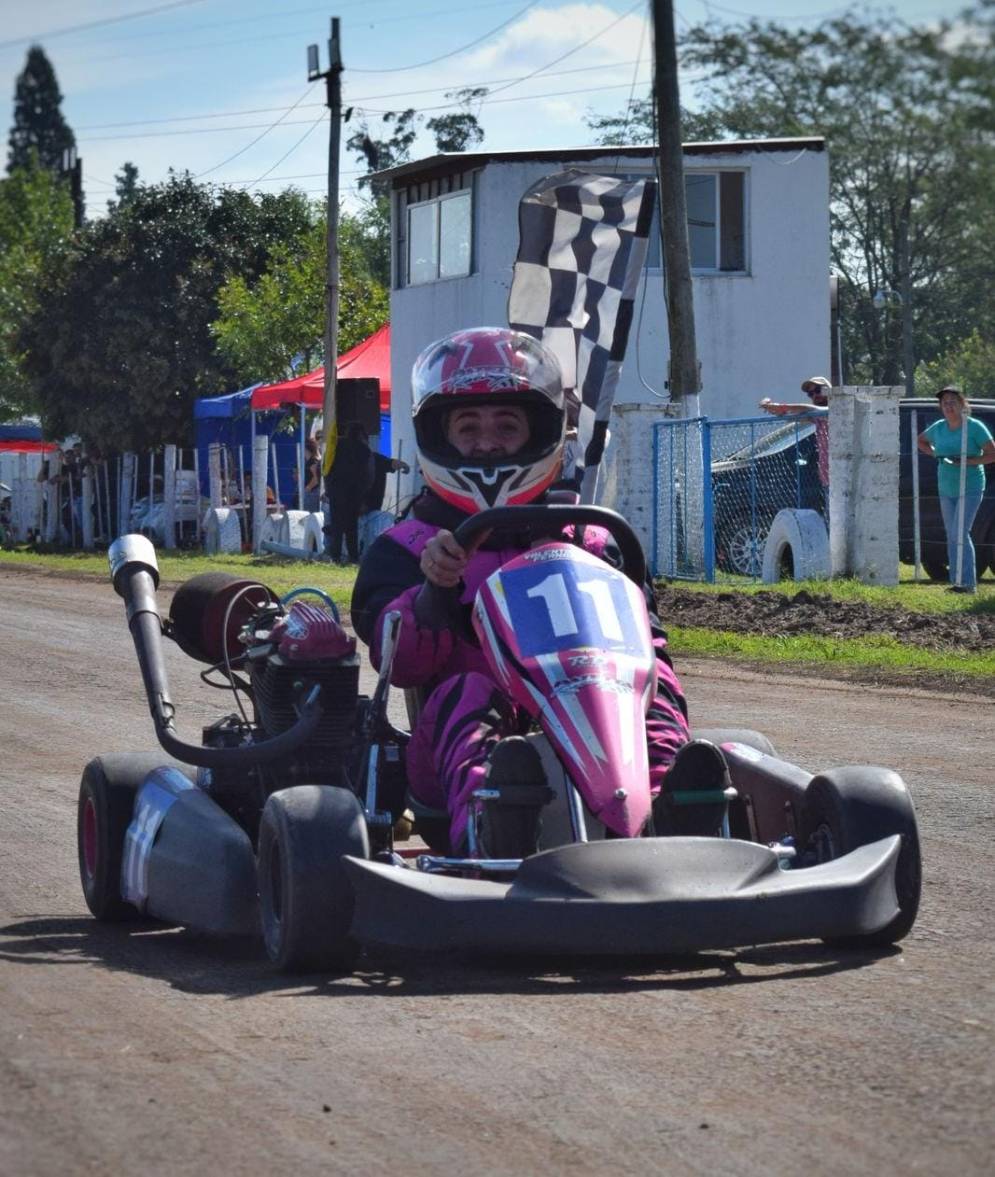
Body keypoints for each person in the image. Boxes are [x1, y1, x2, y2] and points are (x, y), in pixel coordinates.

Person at [351, 326, 728, 855]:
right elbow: (403, 666)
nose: (487, 442)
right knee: (468, 690)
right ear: (441, 436)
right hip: (455, 751)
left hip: (596, 728)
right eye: (469, 426)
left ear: (541, 432)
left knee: (653, 686)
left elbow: (651, 647)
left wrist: (641, 686)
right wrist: (434, 591)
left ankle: (670, 810)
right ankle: (493, 820)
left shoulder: (595, 540)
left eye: (507, 425)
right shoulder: (408, 549)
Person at [917, 384, 995, 593]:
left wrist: (968, 461)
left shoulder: (975, 427)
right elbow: (921, 441)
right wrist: (935, 454)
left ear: (962, 404)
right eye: (945, 403)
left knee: (960, 532)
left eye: (953, 402)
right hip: (946, 486)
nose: (948, 406)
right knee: (952, 534)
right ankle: (957, 581)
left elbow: (992, 453)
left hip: (970, 486)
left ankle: (968, 584)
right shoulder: (939, 427)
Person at [759, 376, 831, 508]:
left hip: (842, 478)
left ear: (828, 390)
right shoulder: (817, 417)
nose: (814, 395)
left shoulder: (835, 410)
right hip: (828, 480)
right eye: (810, 393)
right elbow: (790, 416)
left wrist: (780, 407)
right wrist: (771, 407)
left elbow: (808, 409)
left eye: (818, 390)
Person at [325, 421, 375, 564]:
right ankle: (353, 557)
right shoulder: (364, 451)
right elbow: (368, 476)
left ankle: (335, 557)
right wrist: (364, 495)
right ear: (361, 434)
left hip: (336, 491)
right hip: (354, 493)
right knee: (351, 527)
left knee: (337, 526)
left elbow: (326, 467)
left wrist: (328, 489)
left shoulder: (336, 446)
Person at [302, 437, 322, 512]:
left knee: (308, 514)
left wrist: (308, 488)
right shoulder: (316, 459)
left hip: (312, 493)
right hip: (314, 492)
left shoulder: (313, 461)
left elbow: (316, 478)